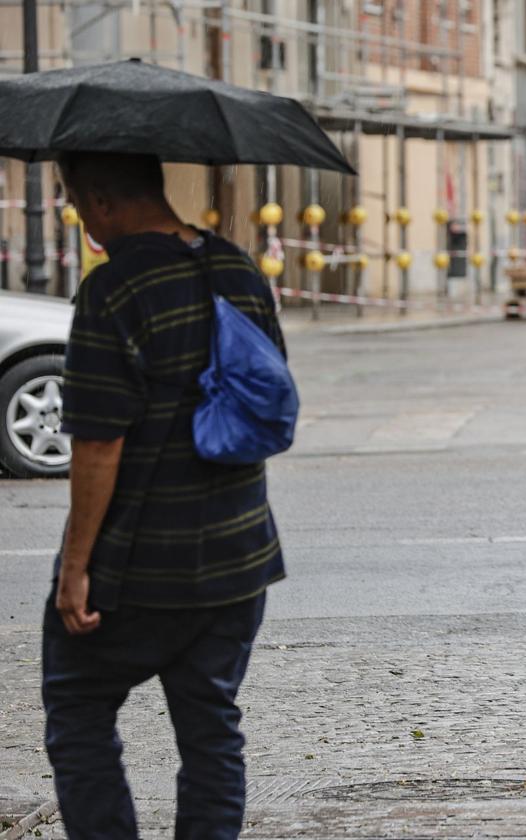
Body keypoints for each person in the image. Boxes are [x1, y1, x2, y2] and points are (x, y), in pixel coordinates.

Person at [43, 151, 287, 839]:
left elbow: (97, 444)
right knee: (211, 729)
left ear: (103, 201)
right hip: (239, 555)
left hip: (138, 566)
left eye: (79, 204)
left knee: (78, 709)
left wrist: (74, 570)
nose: (84, 220)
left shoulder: (113, 287)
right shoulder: (237, 268)